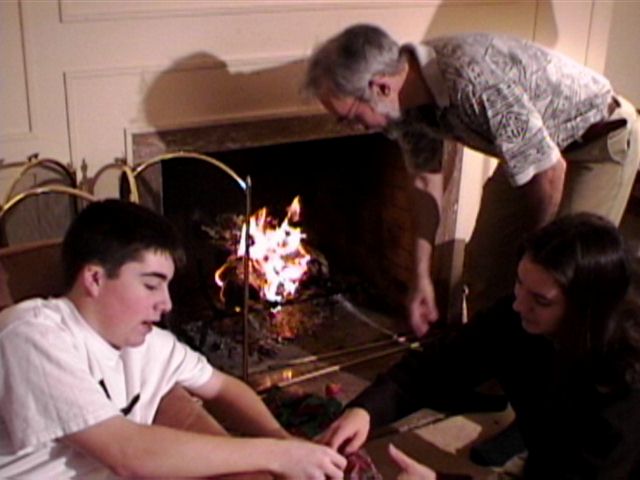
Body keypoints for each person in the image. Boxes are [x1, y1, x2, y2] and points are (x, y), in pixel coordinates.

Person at [304, 25, 640, 337]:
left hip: (599, 140)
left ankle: (554, 373)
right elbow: (425, 183)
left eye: (350, 117)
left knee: (563, 282)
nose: (353, 127)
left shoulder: (471, 81)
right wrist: (421, 277)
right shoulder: (402, 106)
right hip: (534, 151)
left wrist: (534, 257)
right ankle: (488, 368)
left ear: (381, 86)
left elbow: (549, 173)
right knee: (484, 268)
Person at [0, 199, 346, 479]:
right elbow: (127, 452)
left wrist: (282, 439)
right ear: (94, 279)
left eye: (166, 287)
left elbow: (223, 389)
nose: (166, 304)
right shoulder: (31, 334)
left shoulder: (149, 345)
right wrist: (277, 455)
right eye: (151, 285)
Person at [318, 213, 640, 477]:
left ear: (585, 310)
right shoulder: (518, 317)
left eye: (540, 300)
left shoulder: (622, 386)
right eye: (519, 283)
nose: (519, 305)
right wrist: (366, 410)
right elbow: (438, 365)